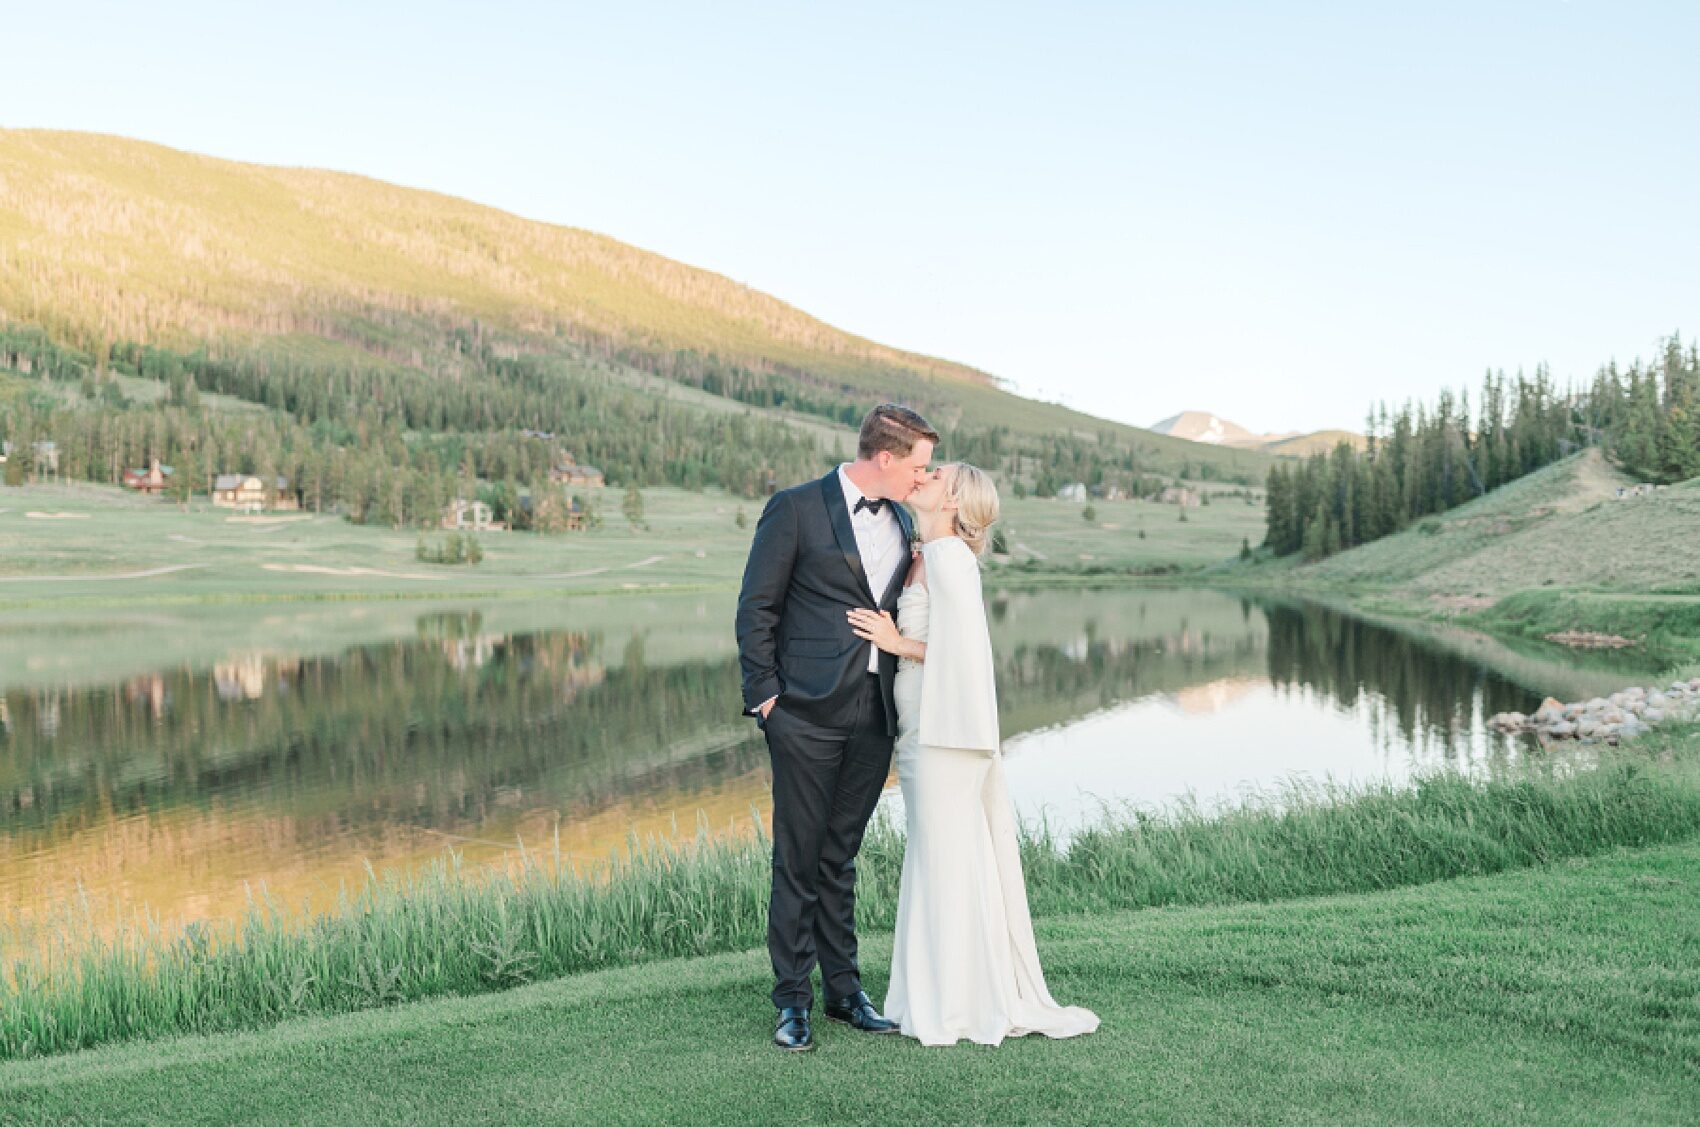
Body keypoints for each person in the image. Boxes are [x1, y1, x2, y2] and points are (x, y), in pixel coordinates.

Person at [848, 463, 1100, 1046]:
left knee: (946, 860)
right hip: (919, 729)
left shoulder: (948, 559)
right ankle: (929, 995)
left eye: (935, 474)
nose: (923, 475)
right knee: (937, 858)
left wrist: (894, 643)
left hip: (945, 735)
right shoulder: (921, 553)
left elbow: (964, 656)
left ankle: (956, 1005)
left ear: (954, 498)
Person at [735, 403, 939, 1052]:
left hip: (874, 719)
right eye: (918, 465)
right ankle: (791, 1001)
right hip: (803, 716)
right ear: (886, 458)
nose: (922, 477)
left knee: (839, 859)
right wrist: (767, 700)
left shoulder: (906, 518)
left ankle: (845, 992)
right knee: (796, 860)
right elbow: (756, 608)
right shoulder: (794, 508)